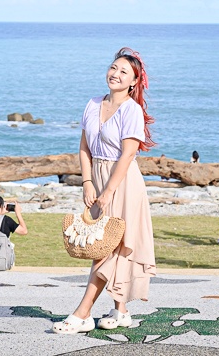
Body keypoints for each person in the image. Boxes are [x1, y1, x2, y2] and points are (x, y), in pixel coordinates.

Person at [52, 48, 156, 335]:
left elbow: (127, 155)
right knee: (106, 244)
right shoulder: (92, 103)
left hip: (122, 182)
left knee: (107, 247)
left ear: (134, 81)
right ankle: (120, 310)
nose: (116, 74)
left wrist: (108, 190)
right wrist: (87, 182)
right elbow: (84, 147)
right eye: (113, 68)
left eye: (124, 72)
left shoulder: (132, 110)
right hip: (96, 178)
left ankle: (82, 313)